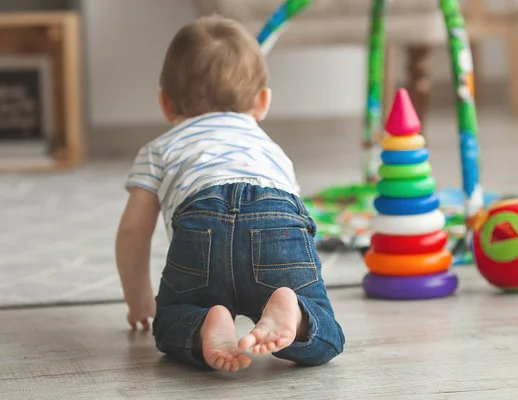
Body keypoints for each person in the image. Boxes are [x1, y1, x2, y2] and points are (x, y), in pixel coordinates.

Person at [115, 15, 345, 372]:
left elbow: (133, 230)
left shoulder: (158, 150)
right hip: (275, 216)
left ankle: (204, 321)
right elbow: (298, 222)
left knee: (168, 323)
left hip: (200, 226)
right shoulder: (272, 151)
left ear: (165, 103)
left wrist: (140, 300)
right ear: (263, 101)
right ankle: (295, 313)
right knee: (326, 333)